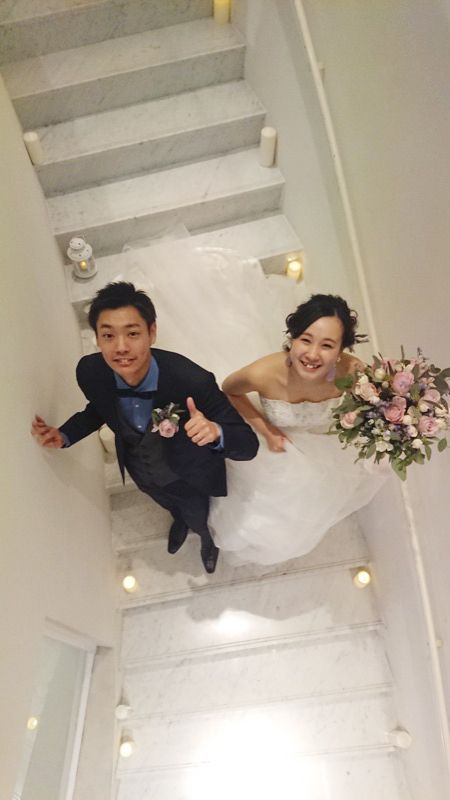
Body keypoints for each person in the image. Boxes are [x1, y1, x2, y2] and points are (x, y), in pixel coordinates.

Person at [31, 281, 259, 574]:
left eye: (132, 333)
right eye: (108, 335)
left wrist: (216, 432)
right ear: (97, 339)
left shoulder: (192, 380)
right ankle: (178, 519)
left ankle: (206, 540)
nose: (121, 347)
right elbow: (98, 408)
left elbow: (248, 445)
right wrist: (64, 435)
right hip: (139, 470)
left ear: (152, 332)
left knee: (198, 514)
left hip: (186, 475)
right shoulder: (90, 371)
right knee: (165, 501)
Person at [208, 293, 388, 564]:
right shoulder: (263, 373)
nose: (313, 354)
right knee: (259, 503)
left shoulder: (353, 372)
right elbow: (229, 391)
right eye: (305, 340)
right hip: (271, 442)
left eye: (327, 345)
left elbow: (373, 402)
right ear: (292, 338)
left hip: (320, 442)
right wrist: (267, 429)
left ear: (340, 350)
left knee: (309, 499)